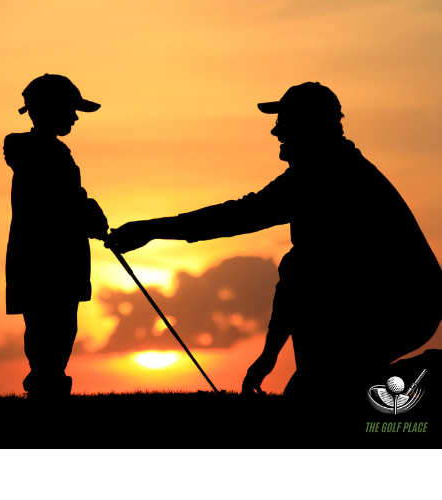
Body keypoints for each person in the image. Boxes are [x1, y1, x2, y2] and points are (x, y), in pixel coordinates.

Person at [104, 82, 442, 402]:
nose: (275, 131)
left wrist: (150, 229)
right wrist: (270, 355)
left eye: (283, 122)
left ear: (308, 125)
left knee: (320, 391)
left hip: (402, 307)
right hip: (385, 306)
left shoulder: (326, 175)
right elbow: (296, 274)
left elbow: (240, 216)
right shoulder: (324, 168)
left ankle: (432, 373)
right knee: (316, 387)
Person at [4, 74, 109, 399]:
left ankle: (48, 388)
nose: (75, 118)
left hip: (47, 263)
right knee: (50, 332)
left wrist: (86, 210)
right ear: (50, 110)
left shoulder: (47, 152)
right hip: (49, 264)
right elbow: (59, 202)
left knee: (55, 332)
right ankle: (47, 392)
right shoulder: (41, 153)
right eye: (70, 110)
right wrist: (88, 210)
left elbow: (65, 199)